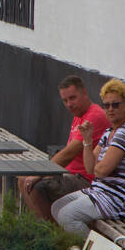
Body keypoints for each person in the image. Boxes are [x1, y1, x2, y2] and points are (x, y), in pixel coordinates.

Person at [52, 79, 125, 235]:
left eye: (115, 105)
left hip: (121, 201)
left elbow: (101, 171)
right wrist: (88, 141)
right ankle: (73, 246)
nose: (110, 109)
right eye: (106, 105)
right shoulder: (110, 132)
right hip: (101, 192)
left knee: (66, 215)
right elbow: (90, 168)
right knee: (56, 207)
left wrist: (98, 164)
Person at [19, 75, 109, 219]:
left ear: (85, 93)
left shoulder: (94, 116)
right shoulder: (78, 115)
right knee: (25, 178)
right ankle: (45, 228)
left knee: (32, 183)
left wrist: (40, 174)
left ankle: (51, 233)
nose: (69, 104)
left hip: (86, 181)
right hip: (71, 175)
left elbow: (69, 153)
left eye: (72, 98)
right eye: (65, 100)